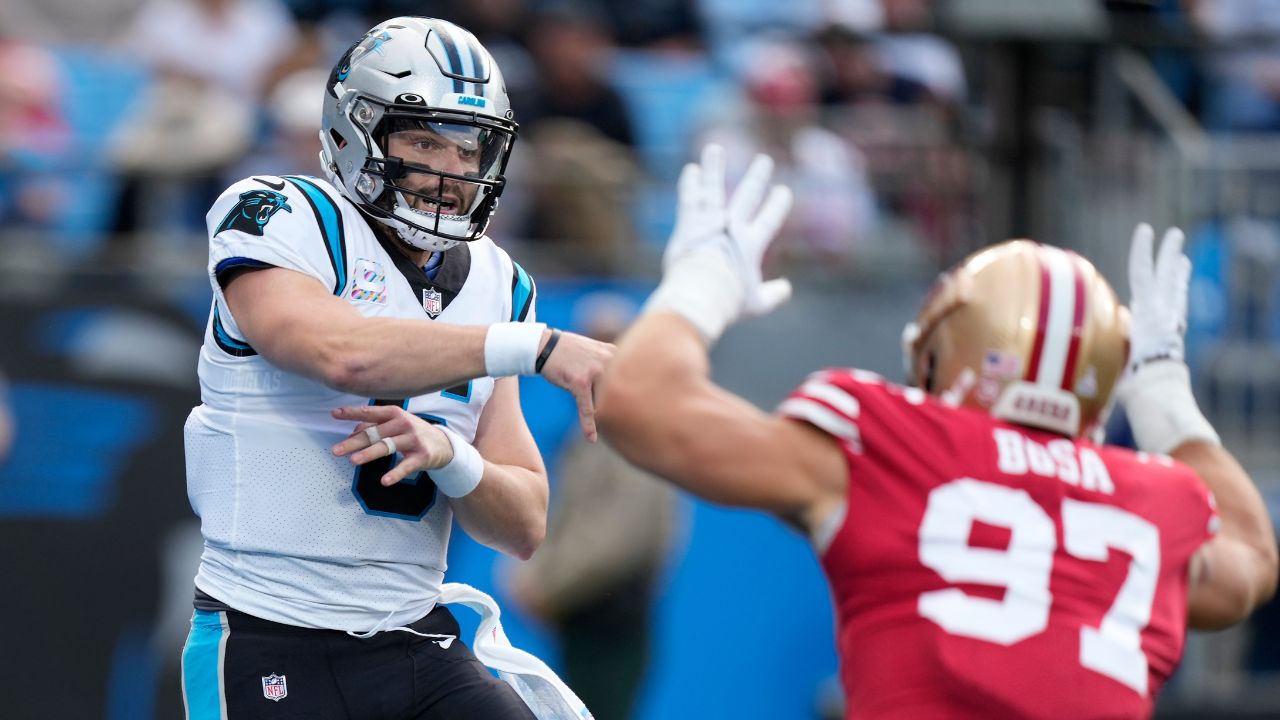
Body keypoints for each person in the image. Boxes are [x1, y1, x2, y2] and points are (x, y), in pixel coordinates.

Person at [596, 144, 1279, 718]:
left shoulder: (892, 443)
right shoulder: (1154, 500)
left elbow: (641, 402)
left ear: (946, 351)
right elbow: (1251, 562)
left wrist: (702, 282)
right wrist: (1161, 386)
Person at [181, 17, 610, 719]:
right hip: (268, 635)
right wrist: (528, 347)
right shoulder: (283, 215)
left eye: (470, 149)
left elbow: (525, 523)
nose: (453, 171)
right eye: (423, 141)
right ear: (357, 133)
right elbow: (340, 353)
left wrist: (450, 454)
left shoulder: (499, 281)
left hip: (417, 643)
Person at [508, 292, 677, 720]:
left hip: (608, 622)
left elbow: (614, 539)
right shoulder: (599, 431)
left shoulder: (631, 433)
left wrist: (544, 585)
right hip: (589, 619)